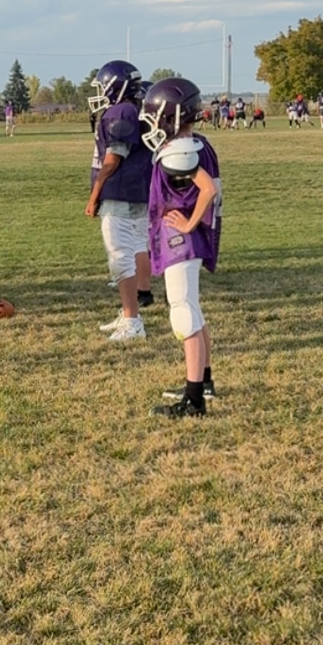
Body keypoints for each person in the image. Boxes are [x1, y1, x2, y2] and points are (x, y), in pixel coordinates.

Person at [140, 76, 221, 420]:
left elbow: (207, 189)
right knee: (194, 310)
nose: (150, 122)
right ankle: (202, 382)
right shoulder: (195, 143)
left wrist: (187, 223)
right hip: (190, 240)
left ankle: (194, 401)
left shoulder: (180, 152)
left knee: (183, 314)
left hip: (181, 241)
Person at [86, 58, 153, 345]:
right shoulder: (133, 108)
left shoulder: (121, 112)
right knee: (136, 247)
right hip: (136, 192)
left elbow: (112, 159)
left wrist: (95, 194)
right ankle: (130, 313)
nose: (100, 91)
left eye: (103, 86)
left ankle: (132, 321)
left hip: (121, 194)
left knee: (119, 258)